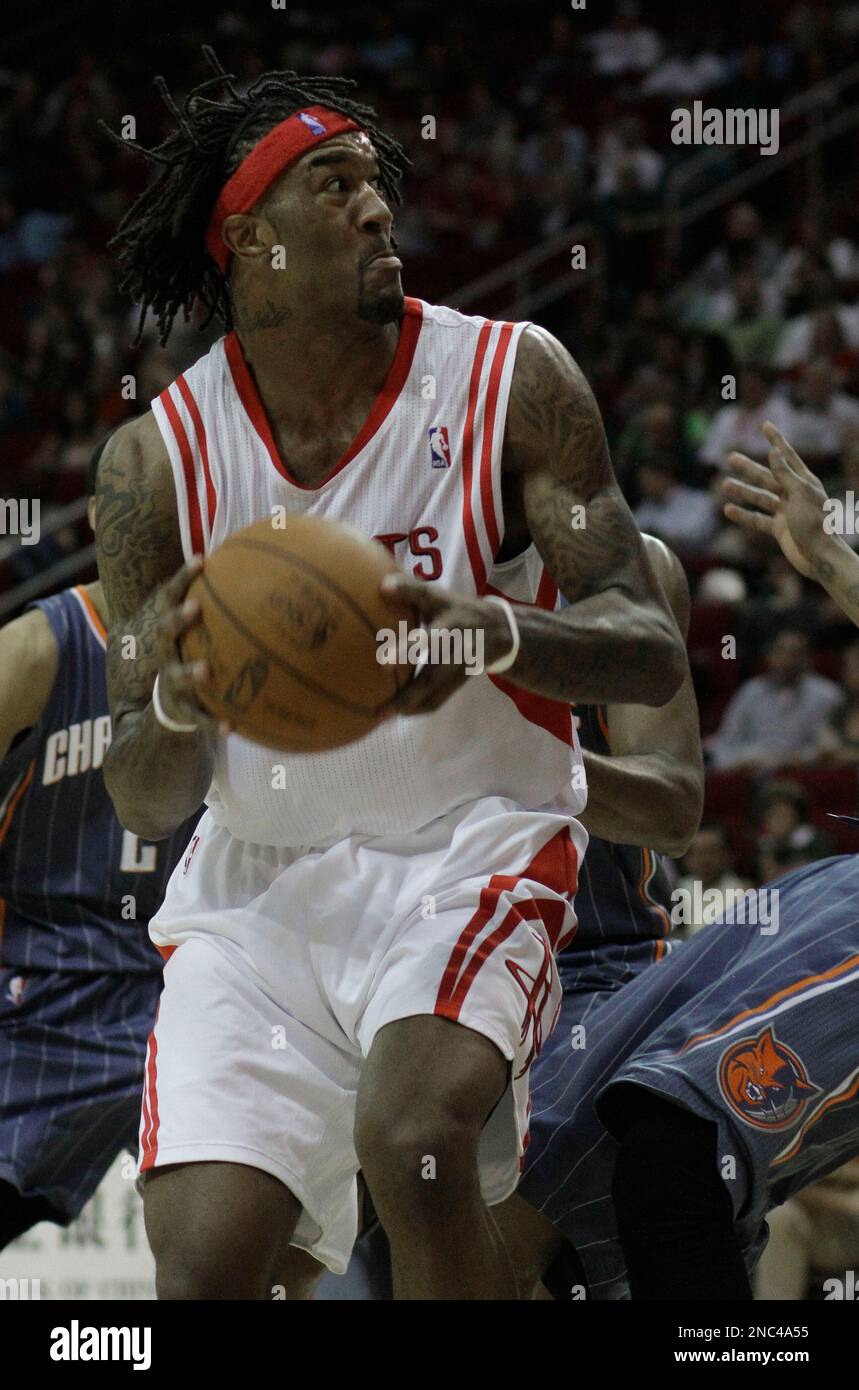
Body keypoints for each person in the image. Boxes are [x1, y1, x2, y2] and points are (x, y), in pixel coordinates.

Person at [95, 53, 684, 1301]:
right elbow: (142, 799)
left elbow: (647, 639)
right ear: (248, 241)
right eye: (333, 182)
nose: (376, 207)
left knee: (414, 1148)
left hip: (471, 841)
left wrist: (492, 631)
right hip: (258, 891)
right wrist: (183, 697)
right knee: (200, 1272)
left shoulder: (509, 380)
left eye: (377, 180)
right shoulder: (155, 465)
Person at [0, 438, 201, 1250]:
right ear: (98, 522)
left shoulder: (253, 654)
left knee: (267, 1239)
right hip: (41, 993)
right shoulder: (38, 648)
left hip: (192, 989)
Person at [709, 627, 841, 769]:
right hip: (750, 768)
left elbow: (828, 748)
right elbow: (728, 740)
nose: (787, 659)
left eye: (795, 653)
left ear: (807, 659)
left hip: (801, 771)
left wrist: (791, 760)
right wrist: (735, 763)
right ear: (769, 656)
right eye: (781, 651)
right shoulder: (751, 690)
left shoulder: (827, 695)